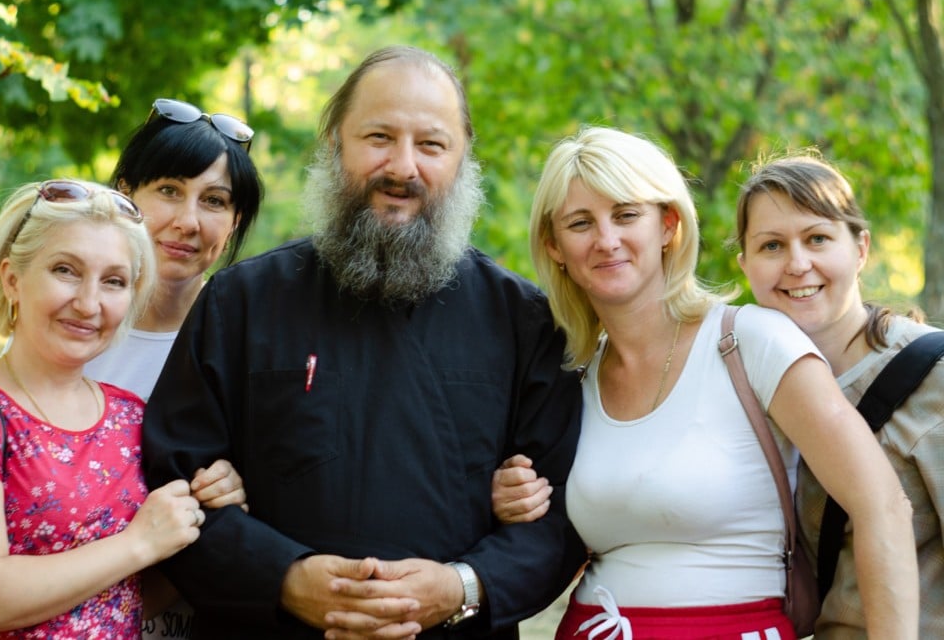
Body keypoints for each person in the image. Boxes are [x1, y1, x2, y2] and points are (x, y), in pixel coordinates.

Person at [141, 45, 586, 639]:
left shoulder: (523, 320)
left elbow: (560, 518)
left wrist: (461, 587)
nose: (403, 167)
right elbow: (173, 485)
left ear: (462, 160)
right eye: (379, 137)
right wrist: (283, 578)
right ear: (335, 144)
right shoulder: (241, 302)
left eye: (431, 145)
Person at [489, 127, 917, 639]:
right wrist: (515, 499)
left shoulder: (751, 340)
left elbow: (882, 506)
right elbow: (569, 532)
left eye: (626, 215)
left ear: (668, 225)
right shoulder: (572, 378)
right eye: (580, 223)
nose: (606, 240)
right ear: (554, 245)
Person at [0, 179, 205, 638]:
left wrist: (208, 503)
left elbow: (129, 598)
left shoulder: (132, 417)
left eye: (113, 281)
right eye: (66, 270)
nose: (89, 303)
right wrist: (139, 543)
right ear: (12, 279)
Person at [734, 154, 944, 638]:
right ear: (745, 264)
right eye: (771, 245)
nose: (797, 264)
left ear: (860, 248)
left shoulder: (934, 380)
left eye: (817, 239)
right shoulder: (746, 391)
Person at [83, 97, 264, 639]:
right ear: (125, 194)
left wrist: (247, 484)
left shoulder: (253, 345)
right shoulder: (72, 331)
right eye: (168, 190)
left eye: (214, 201)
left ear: (234, 222)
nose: (188, 221)